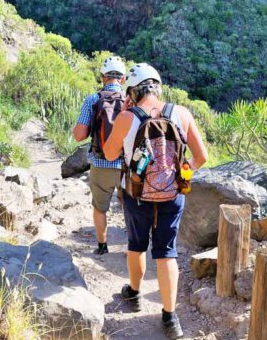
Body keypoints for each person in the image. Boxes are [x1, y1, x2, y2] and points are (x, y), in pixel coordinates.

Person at [103, 63, 208, 339]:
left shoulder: (128, 117)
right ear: (158, 87)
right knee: (167, 252)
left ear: (133, 91)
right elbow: (202, 157)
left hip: (136, 195)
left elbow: (109, 153)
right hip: (173, 196)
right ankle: (170, 317)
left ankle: (134, 294)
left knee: (137, 245)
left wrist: (125, 115)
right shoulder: (181, 113)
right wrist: (181, 173)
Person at [73, 56, 127, 255]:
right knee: (130, 207)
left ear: (103, 77)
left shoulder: (93, 100)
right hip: (127, 166)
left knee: (100, 207)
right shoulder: (131, 102)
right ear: (123, 79)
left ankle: (102, 246)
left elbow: (79, 135)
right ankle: (134, 248)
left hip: (100, 163)